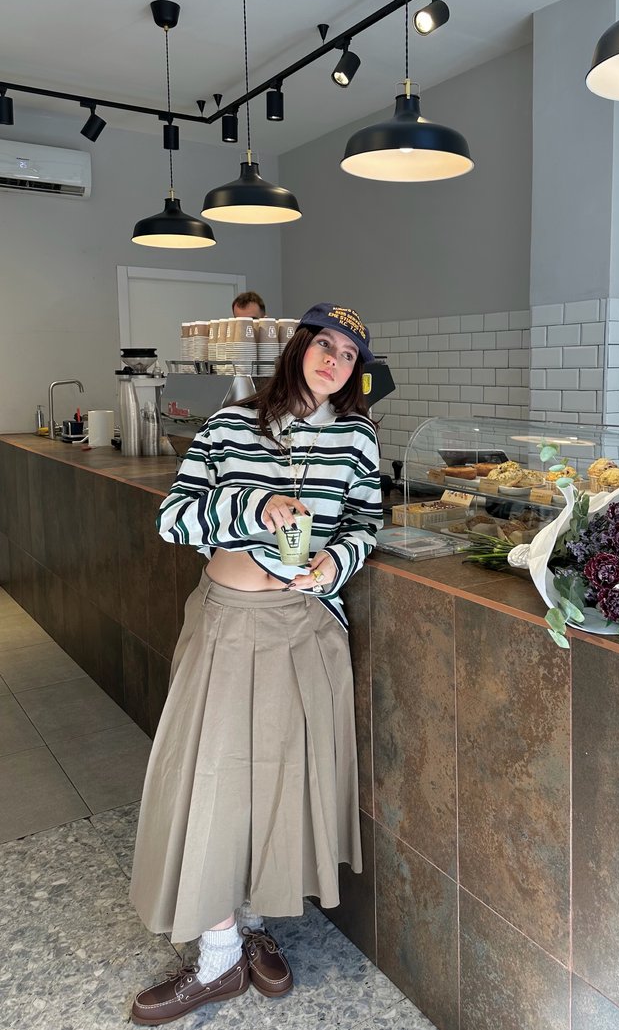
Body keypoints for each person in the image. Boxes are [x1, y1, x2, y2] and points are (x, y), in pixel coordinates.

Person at [129, 303, 382, 1025]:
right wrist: (252, 503)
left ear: (357, 371)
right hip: (226, 628)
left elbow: (366, 521)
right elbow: (173, 517)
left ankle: (243, 924)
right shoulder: (233, 423)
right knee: (211, 786)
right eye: (324, 344)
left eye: (348, 355)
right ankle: (216, 960)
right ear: (300, 346)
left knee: (273, 790)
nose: (333, 361)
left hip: (303, 629)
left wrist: (336, 560)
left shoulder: (357, 438)